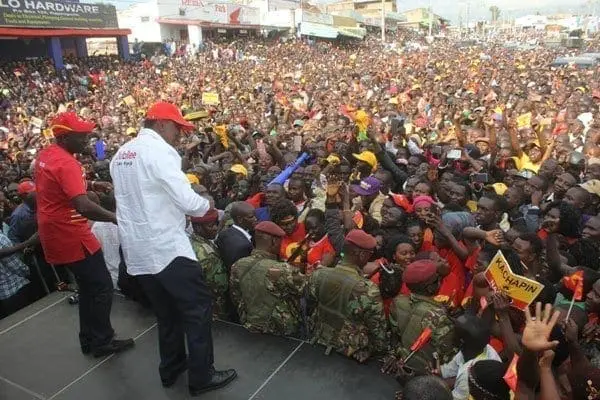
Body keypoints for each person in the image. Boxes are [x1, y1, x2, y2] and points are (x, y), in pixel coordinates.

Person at [110, 102, 236, 395]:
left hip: (138, 251)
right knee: (197, 310)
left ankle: (171, 367)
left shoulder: (121, 154)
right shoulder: (160, 152)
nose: (180, 135)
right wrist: (209, 206)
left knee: (166, 313)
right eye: (178, 128)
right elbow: (188, 201)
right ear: (163, 124)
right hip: (167, 249)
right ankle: (202, 376)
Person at [36, 112, 134, 358]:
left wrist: (89, 185)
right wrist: (116, 218)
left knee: (89, 287)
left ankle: (88, 338)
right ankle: (102, 341)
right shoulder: (67, 162)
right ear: (66, 137)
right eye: (83, 135)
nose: (88, 139)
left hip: (56, 229)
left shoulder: (48, 154)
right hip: (70, 232)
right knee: (100, 286)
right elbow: (84, 206)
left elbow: (60, 185)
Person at [308, 229, 388, 363]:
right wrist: (378, 351)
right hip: (350, 350)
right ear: (362, 255)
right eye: (369, 254)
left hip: (320, 337)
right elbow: (378, 329)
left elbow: (311, 303)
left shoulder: (318, 274)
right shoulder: (367, 289)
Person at [229, 221, 307, 336]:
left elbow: (236, 296)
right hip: (282, 331)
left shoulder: (238, 265)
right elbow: (307, 289)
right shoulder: (284, 270)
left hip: (250, 325)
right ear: (274, 241)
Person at [387, 259, 456, 375]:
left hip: (402, 361)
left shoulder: (398, 302)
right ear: (430, 288)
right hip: (424, 372)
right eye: (437, 278)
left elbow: (394, 334)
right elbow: (446, 355)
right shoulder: (439, 317)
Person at [189, 209, 229, 320]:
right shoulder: (208, 254)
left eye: (217, 224)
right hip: (213, 305)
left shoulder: (191, 241)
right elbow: (220, 285)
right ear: (197, 227)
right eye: (211, 226)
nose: (216, 228)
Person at [216, 201, 256, 270]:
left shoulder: (224, 233)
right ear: (240, 219)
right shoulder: (243, 246)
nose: (255, 219)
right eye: (251, 217)